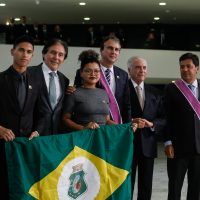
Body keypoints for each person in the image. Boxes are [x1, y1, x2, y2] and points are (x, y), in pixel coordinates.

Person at [0, 35, 45, 199]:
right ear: (13, 51)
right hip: (3, 146)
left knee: (25, 190)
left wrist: (37, 131)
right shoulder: (1, 79)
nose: (24, 55)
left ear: (32, 55)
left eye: (29, 52)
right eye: (21, 50)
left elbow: (43, 113)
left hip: (27, 146)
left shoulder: (37, 81)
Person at [128, 56, 166, 200]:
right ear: (129, 70)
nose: (141, 70)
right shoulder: (122, 90)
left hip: (148, 146)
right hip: (127, 145)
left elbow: (164, 118)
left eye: (144, 67)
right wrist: (131, 121)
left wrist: (152, 124)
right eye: (137, 67)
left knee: (146, 186)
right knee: (127, 185)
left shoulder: (155, 92)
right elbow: (116, 115)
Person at [164, 52, 200, 200]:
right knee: (174, 188)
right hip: (177, 148)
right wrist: (167, 142)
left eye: (189, 66)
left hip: (199, 149)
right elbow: (166, 117)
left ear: (197, 68)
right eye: (182, 67)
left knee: (196, 189)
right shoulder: (171, 89)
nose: (185, 69)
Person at [74, 35, 131, 124]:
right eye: (110, 48)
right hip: (93, 124)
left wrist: (127, 127)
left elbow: (126, 105)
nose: (113, 52)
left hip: (117, 124)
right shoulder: (85, 71)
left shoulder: (123, 75)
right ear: (101, 50)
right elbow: (77, 97)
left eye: (117, 50)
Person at [63, 50, 117, 130]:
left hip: (102, 138)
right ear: (81, 73)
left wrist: (123, 127)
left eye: (96, 71)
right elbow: (65, 119)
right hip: (83, 138)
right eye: (88, 71)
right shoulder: (74, 93)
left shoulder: (104, 93)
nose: (93, 74)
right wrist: (83, 128)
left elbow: (107, 120)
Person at [29, 38, 69, 135]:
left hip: (56, 135)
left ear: (64, 59)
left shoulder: (65, 80)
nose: (56, 57)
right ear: (44, 53)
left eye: (61, 55)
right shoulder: (29, 73)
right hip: (31, 135)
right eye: (53, 52)